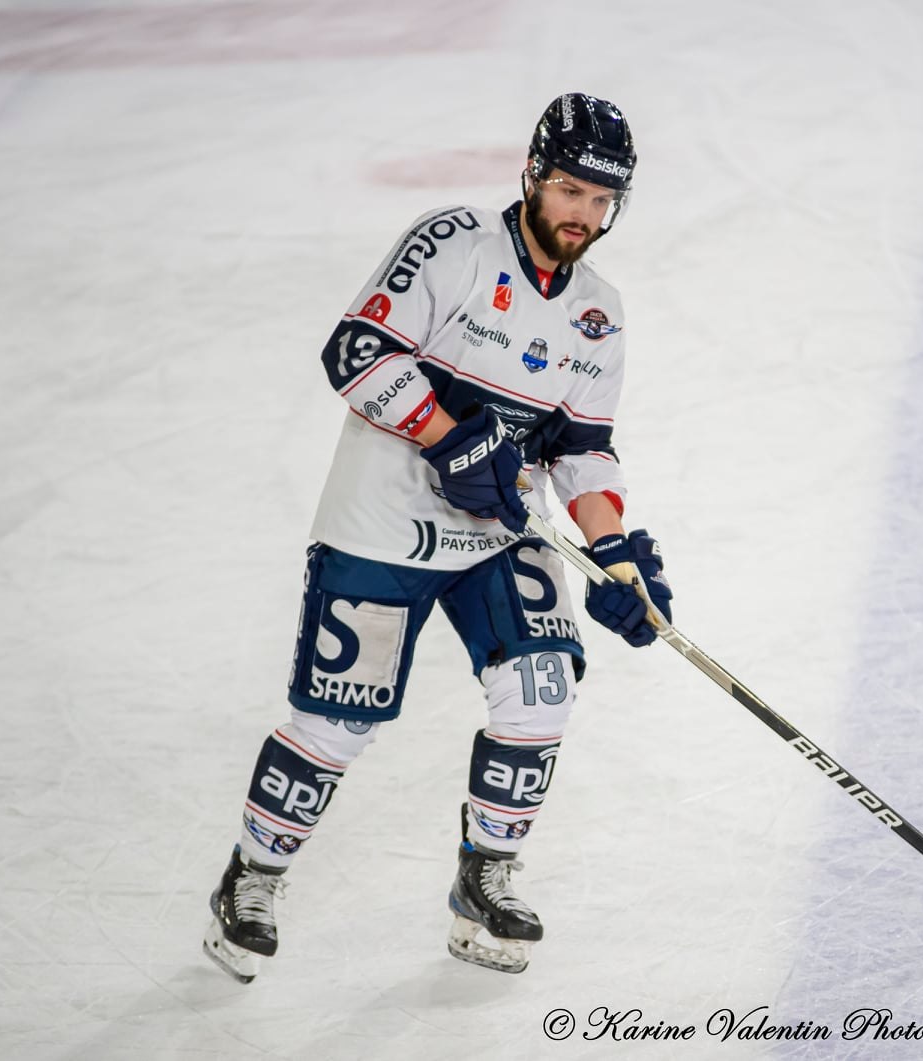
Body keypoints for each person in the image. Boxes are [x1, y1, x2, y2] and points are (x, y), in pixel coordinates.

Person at [201, 92, 672, 981]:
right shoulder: (455, 244)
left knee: (542, 685)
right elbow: (356, 352)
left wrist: (614, 553)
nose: (584, 215)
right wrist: (450, 437)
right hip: (382, 524)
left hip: (499, 531)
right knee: (335, 722)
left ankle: (483, 876)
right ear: (533, 174)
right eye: (571, 189)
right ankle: (252, 877)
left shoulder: (598, 312)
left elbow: (582, 447)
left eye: (603, 200)